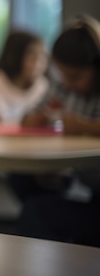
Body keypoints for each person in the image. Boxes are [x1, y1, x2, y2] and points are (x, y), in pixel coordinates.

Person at [14, 14, 100, 246]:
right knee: (22, 178)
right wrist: (37, 118)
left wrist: (83, 126)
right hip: (81, 180)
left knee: (36, 213)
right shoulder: (64, 89)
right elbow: (26, 119)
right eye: (64, 76)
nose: (70, 83)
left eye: (76, 76)